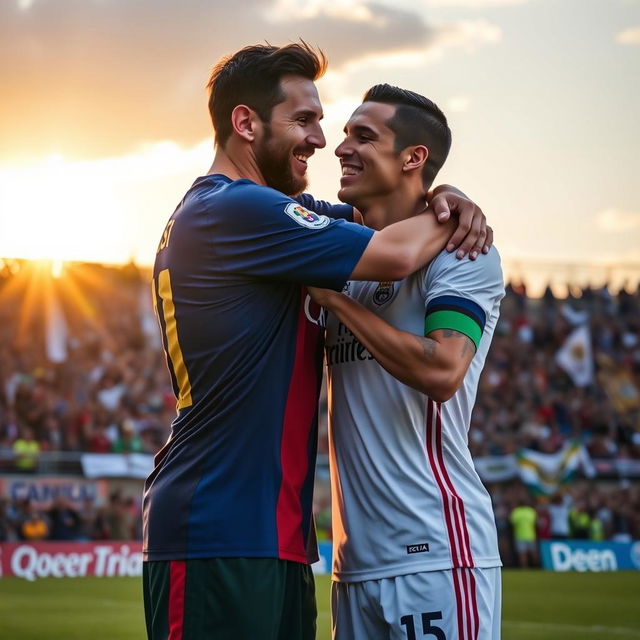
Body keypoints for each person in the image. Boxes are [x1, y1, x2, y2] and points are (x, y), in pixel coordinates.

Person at [143, 43, 491, 640]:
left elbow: (382, 212)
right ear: (246, 123)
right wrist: (452, 210)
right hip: (217, 526)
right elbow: (397, 250)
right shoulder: (234, 209)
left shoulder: (275, 215)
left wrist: (444, 189)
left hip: (274, 536)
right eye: (303, 121)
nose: (321, 141)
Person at [308, 84, 504, 639]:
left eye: (364, 137)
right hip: (354, 564)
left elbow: (443, 371)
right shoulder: (343, 251)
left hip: (436, 551)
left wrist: (336, 302)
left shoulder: (465, 253)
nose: (342, 148)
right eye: (345, 134)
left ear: (413, 158)